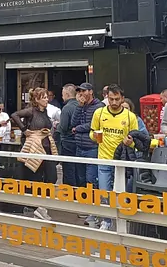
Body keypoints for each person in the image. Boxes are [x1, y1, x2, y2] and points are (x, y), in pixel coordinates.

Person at [90, 84, 138, 230]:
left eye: (117, 99)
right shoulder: (99, 113)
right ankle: (107, 220)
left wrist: (131, 142)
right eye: (111, 99)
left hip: (121, 161)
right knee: (104, 192)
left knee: (121, 193)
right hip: (104, 158)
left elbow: (137, 138)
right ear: (107, 98)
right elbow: (92, 132)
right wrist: (95, 137)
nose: (114, 102)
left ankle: (123, 221)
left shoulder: (130, 117)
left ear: (122, 99)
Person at [11, 87, 58, 221]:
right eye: (43, 97)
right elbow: (14, 115)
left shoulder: (46, 112)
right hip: (36, 148)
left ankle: (41, 207)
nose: (46, 99)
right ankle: (38, 207)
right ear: (37, 100)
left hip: (47, 148)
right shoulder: (31, 111)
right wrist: (24, 130)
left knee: (52, 177)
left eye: (46, 97)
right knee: (36, 178)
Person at [71, 82, 103, 224]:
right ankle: (86, 206)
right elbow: (73, 121)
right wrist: (79, 106)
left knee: (92, 179)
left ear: (90, 91)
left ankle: (94, 210)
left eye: (84, 91)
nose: (81, 94)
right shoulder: (80, 106)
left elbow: (93, 125)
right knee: (81, 178)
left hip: (92, 147)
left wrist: (78, 129)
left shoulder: (99, 106)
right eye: (80, 91)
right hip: (80, 146)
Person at [58, 84, 79, 186]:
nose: (62, 97)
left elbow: (63, 128)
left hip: (67, 143)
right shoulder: (80, 106)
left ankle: (69, 192)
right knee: (78, 169)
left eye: (62, 94)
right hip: (79, 143)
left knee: (68, 169)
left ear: (66, 94)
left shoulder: (67, 108)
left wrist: (56, 125)